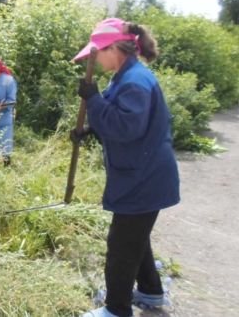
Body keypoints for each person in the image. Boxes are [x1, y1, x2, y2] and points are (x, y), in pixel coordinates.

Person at [71, 18, 180, 317]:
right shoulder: (125, 76)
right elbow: (120, 119)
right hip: (142, 174)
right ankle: (151, 292)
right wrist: (91, 130)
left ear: (113, 48)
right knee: (135, 237)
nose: (93, 59)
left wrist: (93, 100)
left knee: (121, 245)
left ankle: (116, 310)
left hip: (144, 178)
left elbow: (125, 127)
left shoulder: (135, 81)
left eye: (96, 53)